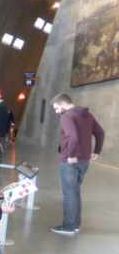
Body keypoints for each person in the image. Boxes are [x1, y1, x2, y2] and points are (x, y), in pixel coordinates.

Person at [50, 93, 105, 235]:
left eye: (57, 108)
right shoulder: (87, 115)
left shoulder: (67, 116)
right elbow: (100, 132)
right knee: (75, 192)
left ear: (63, 104)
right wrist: (97, 151)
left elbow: (73, 136)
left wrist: (71, 155)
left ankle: (68, 226)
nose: (57, 112)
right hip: (84, 160)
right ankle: (75, 224)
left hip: (70, 161)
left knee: (69, 193)